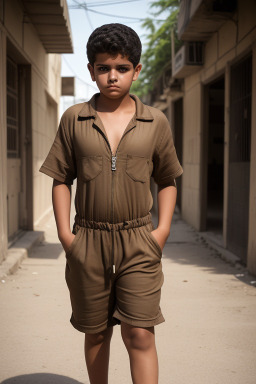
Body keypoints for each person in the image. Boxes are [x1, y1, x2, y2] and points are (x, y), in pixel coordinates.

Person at [39, 23, 183, 384]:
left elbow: (167, 180)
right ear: (91, 71)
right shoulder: (74, 119)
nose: (112, 77)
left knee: (140, 332)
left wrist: (161, 231)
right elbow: (61, 177)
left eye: (121, 68)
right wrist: (65, 236)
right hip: (88, 240)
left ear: (136, 70)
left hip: (139, 241)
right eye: (103, 68)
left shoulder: (156, 122)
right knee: (97, 331)